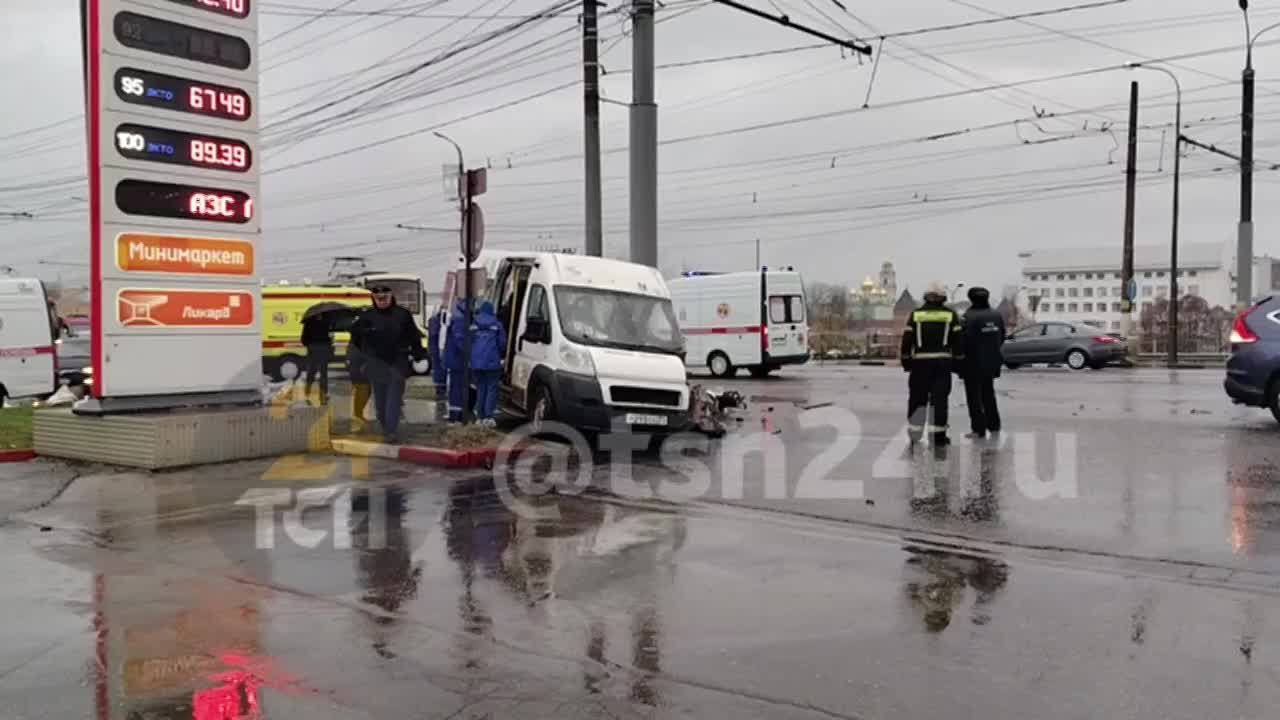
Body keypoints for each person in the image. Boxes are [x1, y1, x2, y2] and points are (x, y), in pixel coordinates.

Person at [349, 285, 426, 443]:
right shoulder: (367, 317)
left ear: (391, 297)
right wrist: (364, 350)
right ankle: (385, 425)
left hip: (397, 361)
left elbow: (413, 336)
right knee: (380, 400)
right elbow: (355, 338)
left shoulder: (402, 315)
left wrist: (418, 354)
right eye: (379, 299)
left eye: (385, 298)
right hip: (376, 363)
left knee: (394, 398)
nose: (382, 301)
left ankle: (391, 430)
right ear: (374, 299)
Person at [900, 282, 964, 448]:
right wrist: (958, 363)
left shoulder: (916, 315)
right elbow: (958, 341)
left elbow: (907, 340)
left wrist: (906, 361)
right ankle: (938, 436)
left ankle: (915, 434)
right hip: (942, 364)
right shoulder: (950, 315)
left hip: (920, 363)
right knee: (939, 400)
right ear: (943, 298)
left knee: (917, 399)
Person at [960, 286, 1005, 439]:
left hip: (972, 362)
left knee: (974, 397)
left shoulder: (968, 316)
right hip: (992, 361)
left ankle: (978, 429)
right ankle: (994, 425)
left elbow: (963, 340)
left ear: (971, 299)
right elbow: (1002, 336)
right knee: (988, 393)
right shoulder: (996, 315)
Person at [470, 301, 507, 424]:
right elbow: (502, 343)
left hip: (476, 362)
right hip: (492, 361)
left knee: (481, 388)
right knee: (491, 387)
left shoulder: (473, 324)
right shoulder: (497, 324)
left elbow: (469, 342)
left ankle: (479, 416)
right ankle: (488, 416)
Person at [300, 311, 334, 405]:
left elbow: (303, 339)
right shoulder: (326, 323)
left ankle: (307, 393)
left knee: (311, 371)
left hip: (312, 349)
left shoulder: (308, 323)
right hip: (323, 349)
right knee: (323, 373)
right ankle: (323, 395)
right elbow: (330, 339)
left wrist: (309, 345)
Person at [427, 309, 447, 416]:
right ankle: (440, 390)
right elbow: (435, 336)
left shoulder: (433, 321)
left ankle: (440, 389)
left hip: (434, 349)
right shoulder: (437, 322)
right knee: (439, 369)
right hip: (437, 349)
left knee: (437, 370)